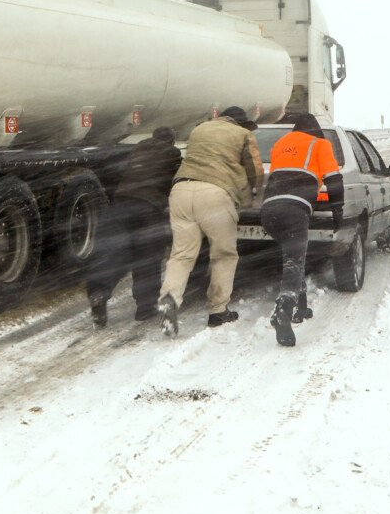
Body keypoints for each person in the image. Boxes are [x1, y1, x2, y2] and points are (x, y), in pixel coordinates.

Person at [157, 106, 264, 337]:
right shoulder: (243, 134)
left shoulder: (201, 129)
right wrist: (251, 197)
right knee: (223, 255)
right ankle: (218, 311)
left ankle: (170, 298)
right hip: (215, 194)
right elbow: (254, 170)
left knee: (181, 254)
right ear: (241, 123)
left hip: (181, 190)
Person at [86, 127, 183, 326]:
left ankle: (99, 292)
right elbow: (176, 182)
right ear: (172, 142)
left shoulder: (137, 150)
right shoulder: (172, 154)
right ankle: (145, 308)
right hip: (148, 208)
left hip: (120, 205)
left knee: (113, 253)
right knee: (147, 257)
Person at [260, 114, 343, 347]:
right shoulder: (320, 144)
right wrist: (338, 210)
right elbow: (334, 179)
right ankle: (283, 310)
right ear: (316, 131)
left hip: (268, 211)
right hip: (294, 209)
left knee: (294, 255)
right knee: (294, 261)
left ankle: (301, 307)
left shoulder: (281, 144)